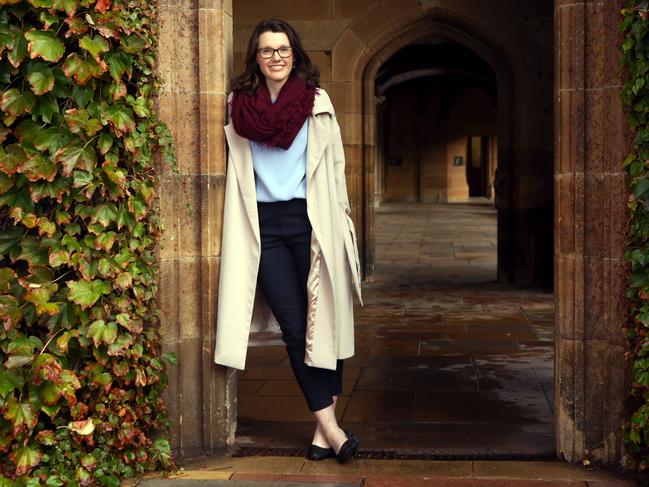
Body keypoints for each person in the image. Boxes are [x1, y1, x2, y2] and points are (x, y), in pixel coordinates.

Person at [213, 18, 363, 464]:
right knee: (296, 328)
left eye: (282, 49)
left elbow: (334, 169)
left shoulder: (317, 102)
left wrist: (342, 223)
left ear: (293, 54)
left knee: (327, 321)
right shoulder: (238, 106)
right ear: (255, 58)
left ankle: (324, 431)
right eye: (266, 50)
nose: (275, 57)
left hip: (312, 220)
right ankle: (332, 427)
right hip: (264, 226)